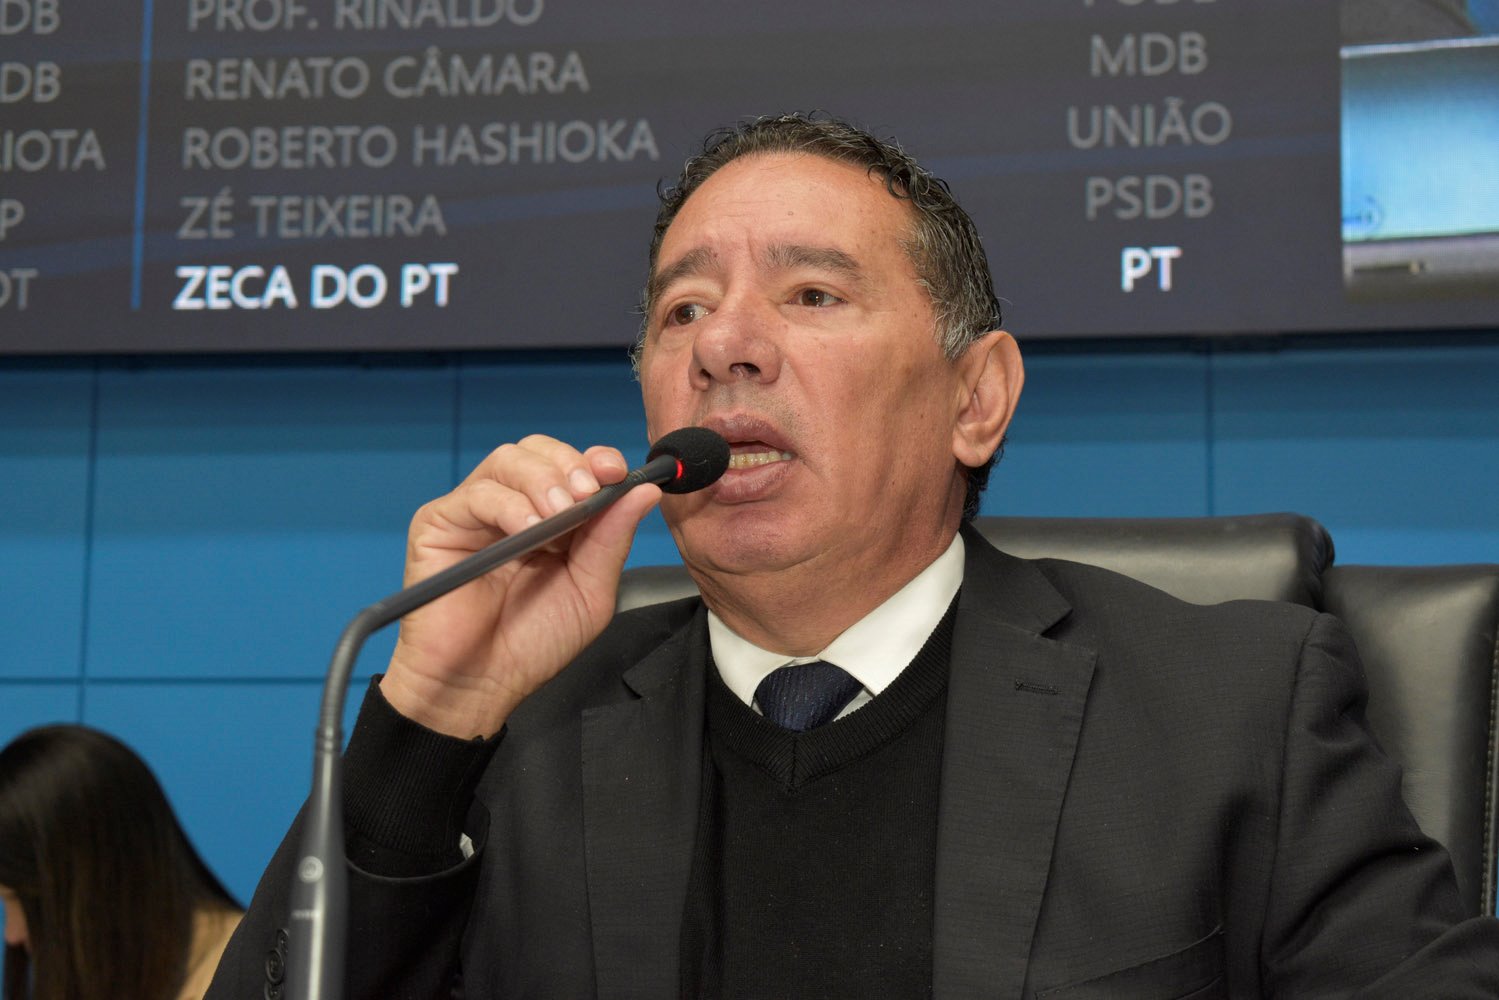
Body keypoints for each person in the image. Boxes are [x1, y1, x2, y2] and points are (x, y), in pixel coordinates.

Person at [208, 113, 1499, 998]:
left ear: (974, 398)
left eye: (811, 294)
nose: (724, 347)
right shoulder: (518, 739)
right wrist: (433, 714)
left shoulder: (1228, 712)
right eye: (681, 309)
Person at [0, 724, 242, 1000]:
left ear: (101, 883)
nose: (12, 935)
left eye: (20, 900)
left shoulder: (239, 975)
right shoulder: (120, 967)